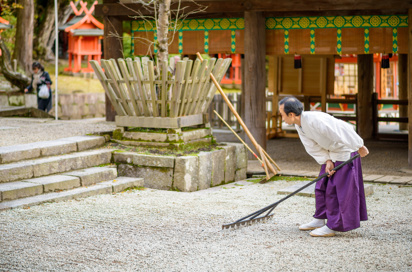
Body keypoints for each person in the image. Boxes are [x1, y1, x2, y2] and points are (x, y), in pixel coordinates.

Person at [279, 96, 369, 237]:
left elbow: (342, 129)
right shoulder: (299, 125)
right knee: (321, 185)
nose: (282, 118)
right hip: (331, 153)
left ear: (291, 114)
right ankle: (320, 218)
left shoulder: (315, 120)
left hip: (344, 150)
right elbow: (311, 146)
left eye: (282, 114)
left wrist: (359, 145)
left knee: (336, 190)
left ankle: (333, 225)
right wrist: (327, 160)